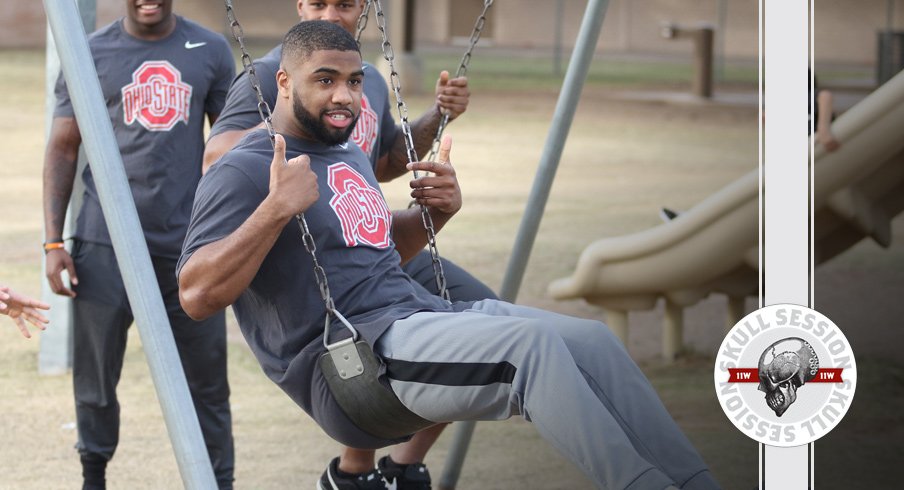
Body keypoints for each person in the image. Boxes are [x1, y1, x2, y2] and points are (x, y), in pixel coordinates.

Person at [178, 20, 720, 490]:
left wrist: (434, 216)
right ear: (282, 81)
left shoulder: (343, 153)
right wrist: (274, 210)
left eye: (353, 81)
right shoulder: (246, 167)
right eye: (324, 80)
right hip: (353, 363)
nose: (344, 96)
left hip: (414, 318)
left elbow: (379, 251)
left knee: (592, 342)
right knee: (528, 348)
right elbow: (196, 294)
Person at [205, 1, 497, 488]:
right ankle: (353, 472)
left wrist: (437, 114)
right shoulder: (270, 72)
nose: (330, 13)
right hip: (317, 240)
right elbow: (217, 153)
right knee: (367, 348)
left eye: (343, 3)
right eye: (318, 2)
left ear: (362, 7)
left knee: (479, 319)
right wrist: (299, 121)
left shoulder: (367, 78)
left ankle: (403, 465)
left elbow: (386, 160)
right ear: (299, 5)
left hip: (373, 237)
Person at [42, 1, 235, 488]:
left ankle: (219, 482)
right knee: (96, 381)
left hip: (188, 248)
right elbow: (63, 147)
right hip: (103, 243)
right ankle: (94, 478)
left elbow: (231, 146)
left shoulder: (209, 49)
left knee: (207, 382)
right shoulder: (88, 53)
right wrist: (52, 243)